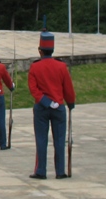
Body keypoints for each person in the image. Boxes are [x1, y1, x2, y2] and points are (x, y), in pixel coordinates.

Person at [27, 29, 76, 179]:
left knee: (41, 140)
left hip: (42, 107)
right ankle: (60, 171)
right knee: (59, 140)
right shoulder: (61, 66)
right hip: (59, 107)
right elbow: (68, 87)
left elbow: (33, 89)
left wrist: (46, 102)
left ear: (40, 50)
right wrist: (70, 102)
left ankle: (41, 170)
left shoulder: (35, 67)